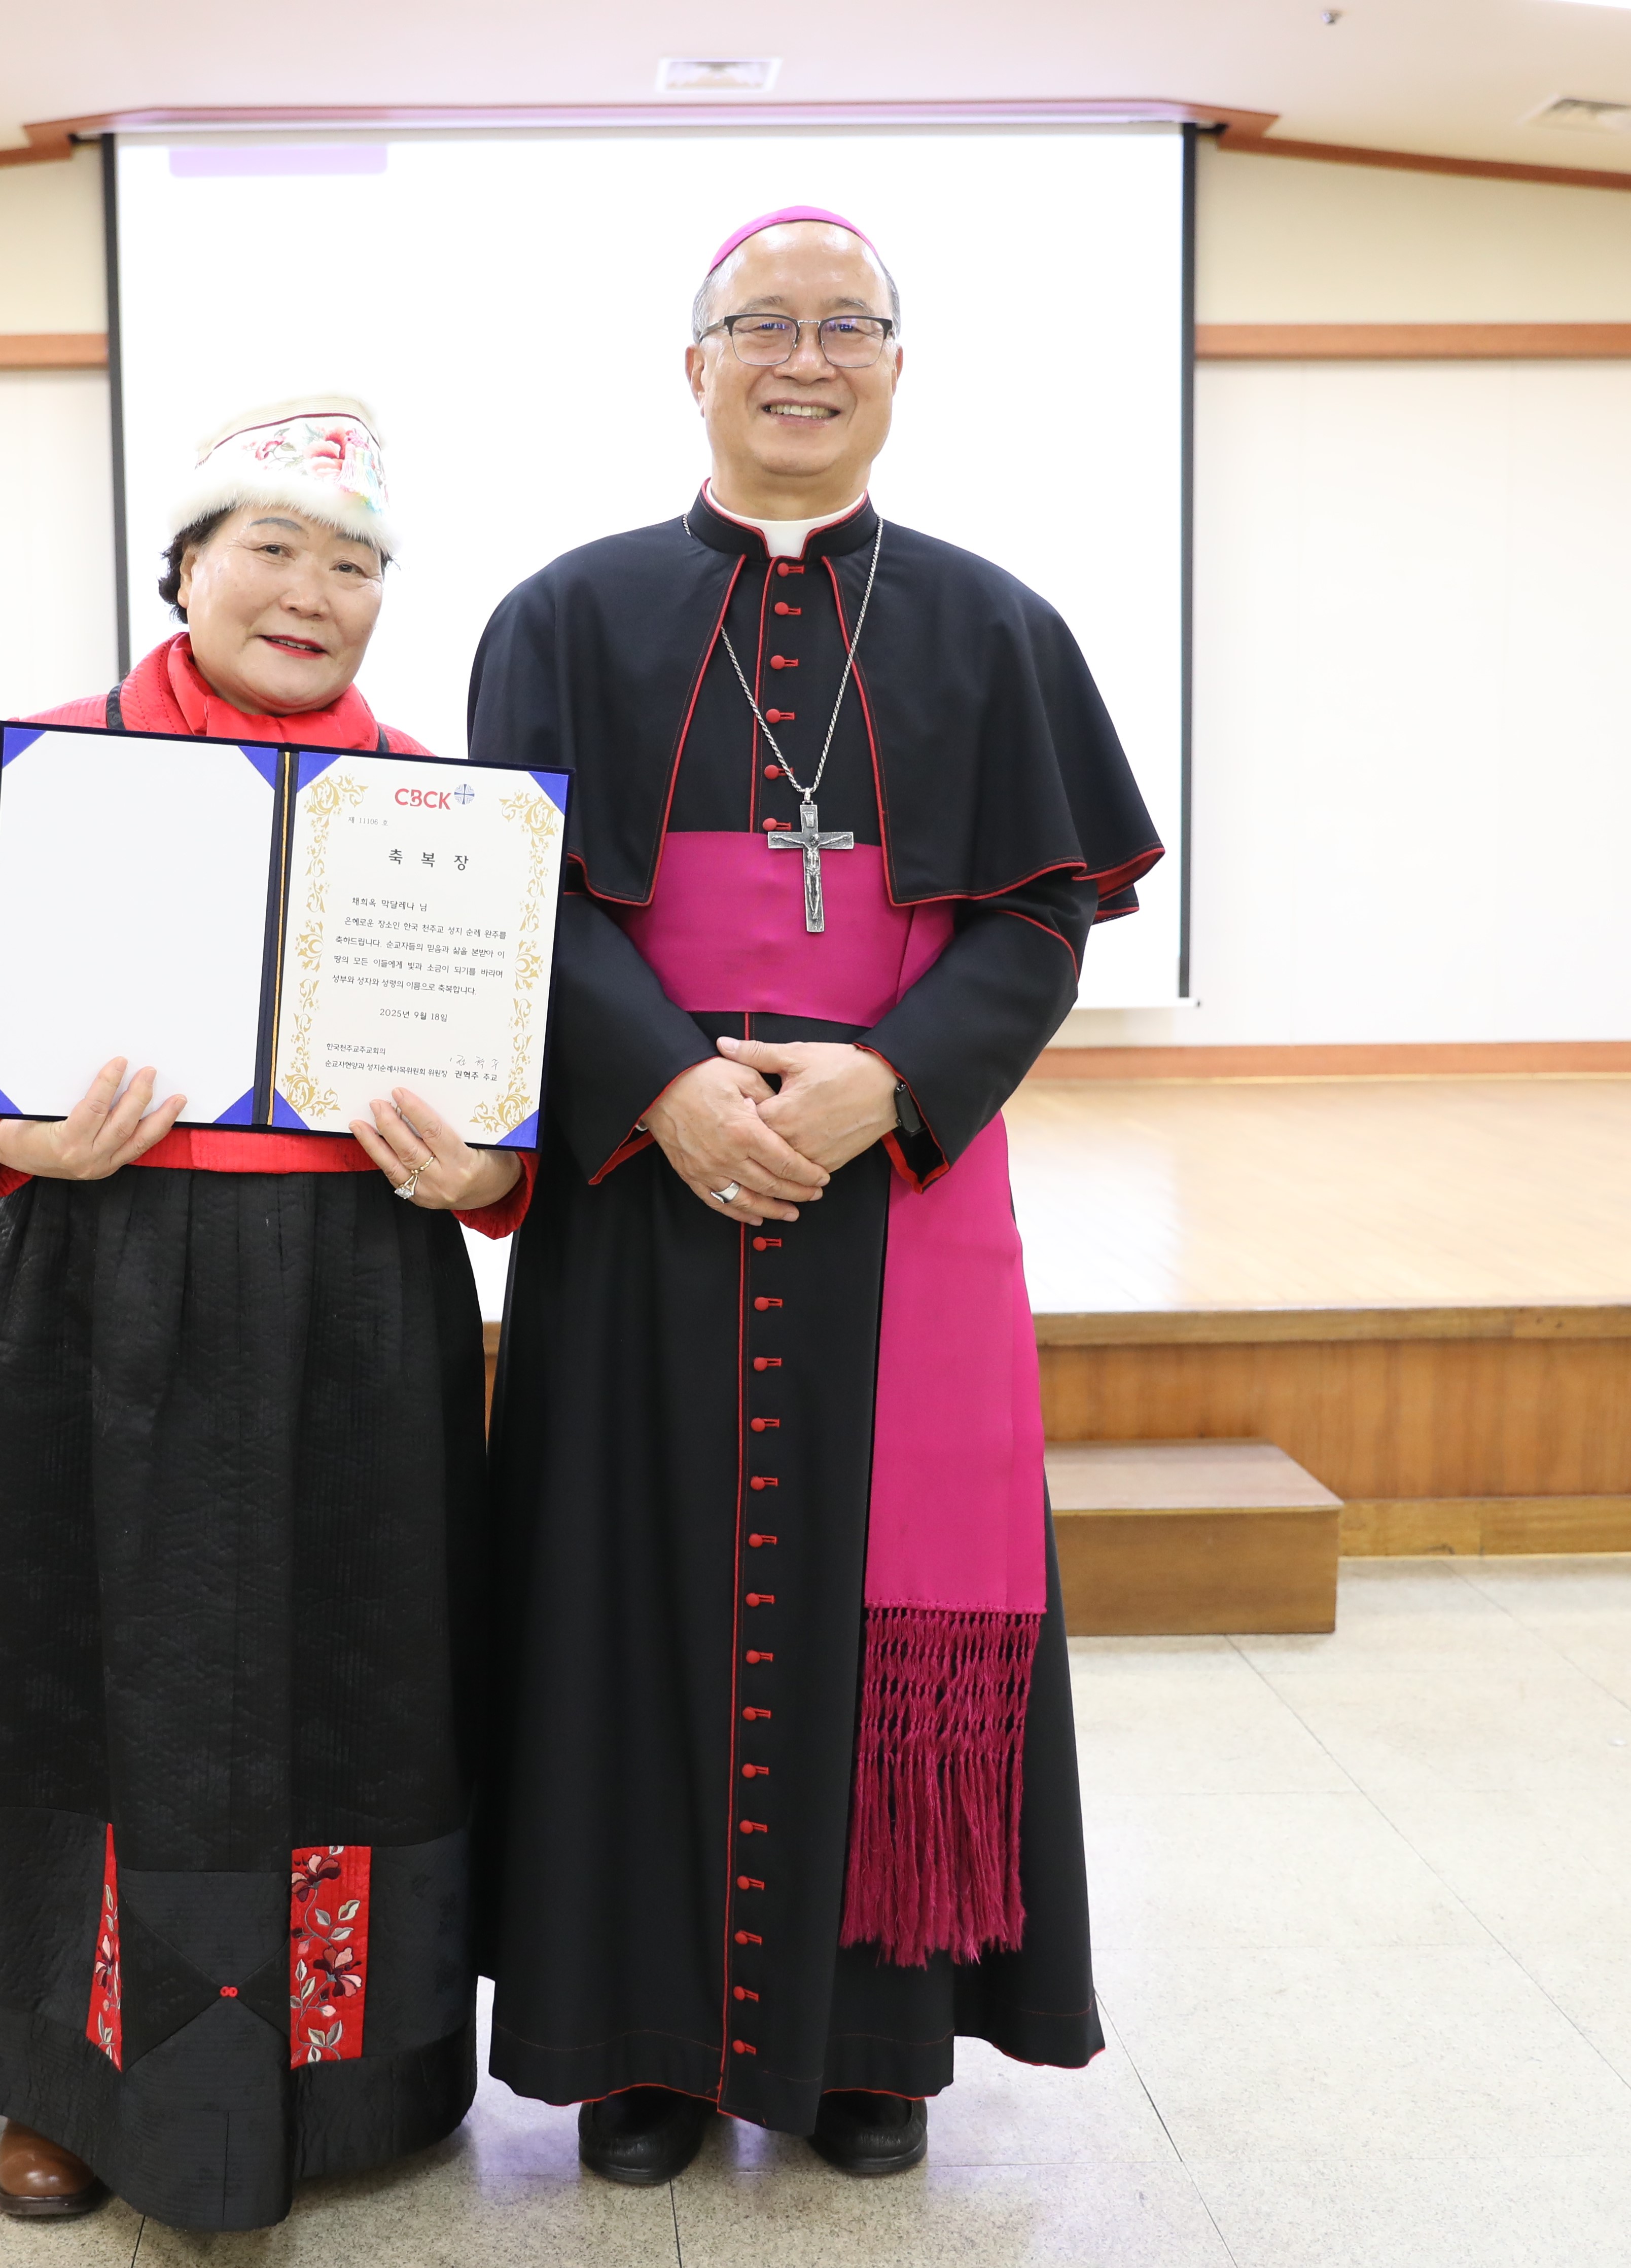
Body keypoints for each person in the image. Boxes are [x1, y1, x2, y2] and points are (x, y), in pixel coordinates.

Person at [468, 212, 1160, 2183]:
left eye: (844, 324)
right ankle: (636, 2044)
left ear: (894, 367)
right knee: (623, 1587)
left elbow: (1037, 922)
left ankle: (876, 2039)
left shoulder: (996, 627)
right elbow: (528, 900)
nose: (803, 355)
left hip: (894, 1196)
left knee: (888, 1604)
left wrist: (889, 1082)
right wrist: (667, 1086)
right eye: (759, 324)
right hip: (642, 1185)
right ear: (689, 365)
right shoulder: (565, 616)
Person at [0, 398, 530, 2233]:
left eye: (354, 564)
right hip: (94, 1278)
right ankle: (65, 2068)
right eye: (274, 550)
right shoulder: (61, 760)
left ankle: (338, 2058)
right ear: (191, 568)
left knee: (350, 1672)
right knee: (75, 1673)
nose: (311, 592)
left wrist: (489, 1181)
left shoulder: (433, 812)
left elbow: (511, 1094)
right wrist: (19, 1129)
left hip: (356, 1296)